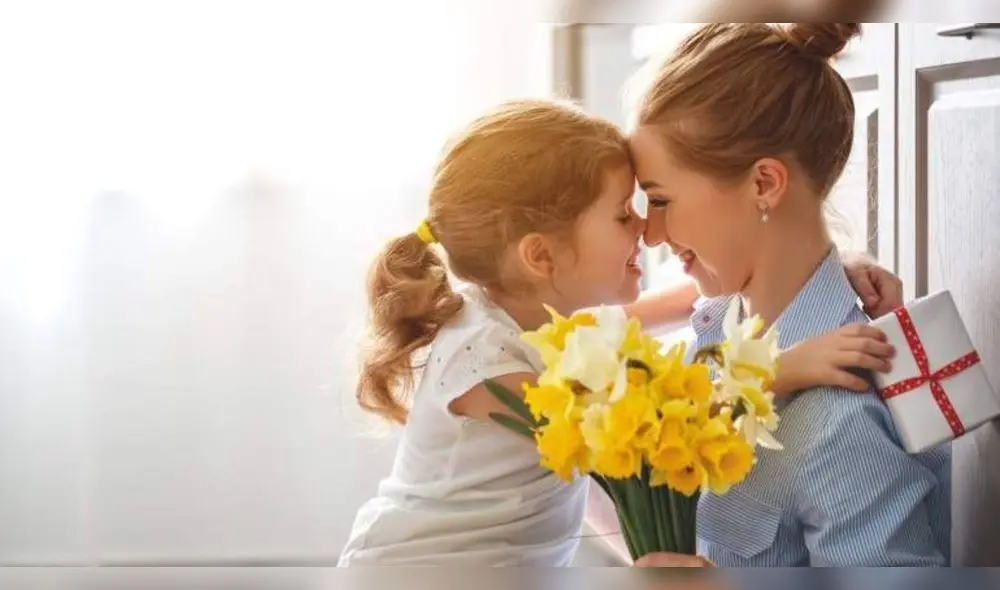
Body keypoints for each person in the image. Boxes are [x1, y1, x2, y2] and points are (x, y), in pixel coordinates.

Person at [338, 98, 900, 566]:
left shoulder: (547, 322)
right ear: (542, 257)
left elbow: (701, 291)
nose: (647, 230)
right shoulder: (484, 362)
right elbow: (641, 427)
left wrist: (825, 267)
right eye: (623, 214)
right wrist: (784, 367)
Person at [629, 22, 950, 566]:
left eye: (660, 201)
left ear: (763, 185)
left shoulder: (833, 421)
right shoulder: (713, 330)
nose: (651, 233)